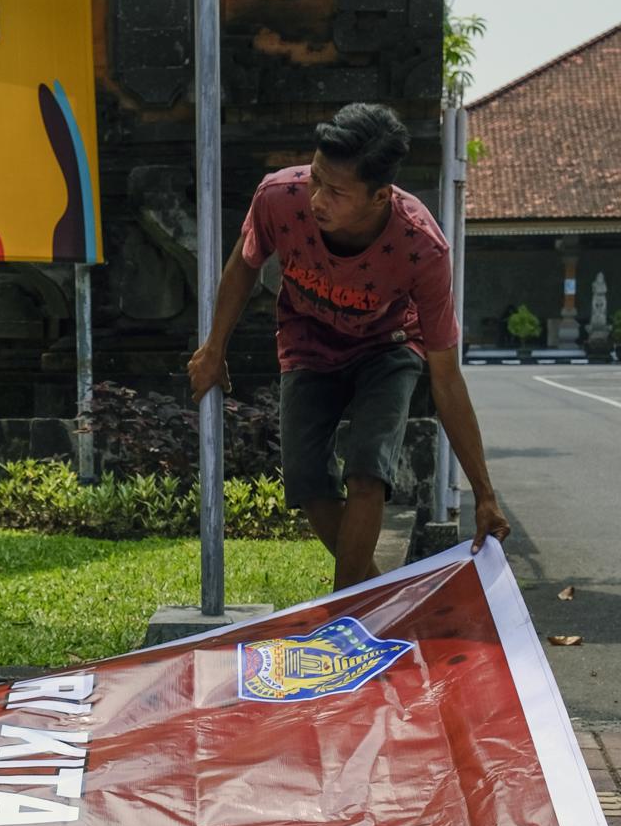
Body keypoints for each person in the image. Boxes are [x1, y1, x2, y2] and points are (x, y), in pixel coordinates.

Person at [187, 103, 511, 589]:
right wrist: (214, 348)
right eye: (316, 178)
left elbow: (446, 376)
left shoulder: (422, 247)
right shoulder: (279, 197)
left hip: (388, 346)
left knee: (367, 471)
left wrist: (484, 494)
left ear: (380, 196)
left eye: (336, 191)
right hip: (307, 339)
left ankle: (344, 612)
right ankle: (376, 597)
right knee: (306, 478)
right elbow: (244, 263)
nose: (317, 198)